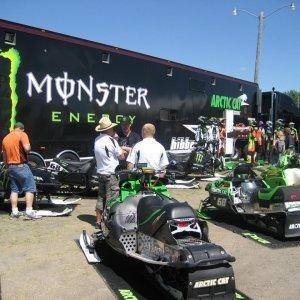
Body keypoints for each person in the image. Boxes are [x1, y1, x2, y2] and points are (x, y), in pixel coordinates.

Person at [2, 122, 41, 219]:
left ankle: (14, 212)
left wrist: (7, 166)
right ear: (22, 129)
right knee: (30, 188)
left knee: (14, 190)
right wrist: (28, 150)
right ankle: (29, 211)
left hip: (10, 167)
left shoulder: (5, 138)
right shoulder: (22, 134)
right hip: (21, 165)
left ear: (14, 128)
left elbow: (4, 156)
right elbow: (27, 148)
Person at [94, 116, 125, 228]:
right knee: (112, 199)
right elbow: (121, 156)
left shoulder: (97, 139)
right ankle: (108, 224)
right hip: (111, 173)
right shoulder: (112, 140)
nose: (114, 130)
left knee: (101, 197)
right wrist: (117, 142)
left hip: (101, 172)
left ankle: (98, 221)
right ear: (108, 130)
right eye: (112, 128)